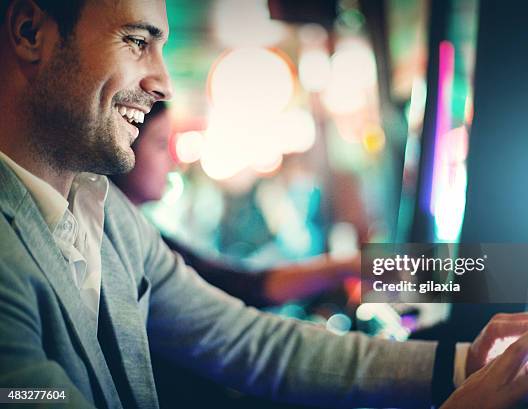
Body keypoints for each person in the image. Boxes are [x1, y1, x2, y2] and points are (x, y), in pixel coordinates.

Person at [0, 1, 528, 408]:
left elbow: (248, 339)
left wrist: (462, 363)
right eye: (136, 40)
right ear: (29, 32)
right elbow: (256, 285)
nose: (164, 83)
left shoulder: (103, 214)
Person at [110, 101, 360, 308]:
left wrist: (358, 266)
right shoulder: (125, 240)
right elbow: (238, 288)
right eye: (162, 145)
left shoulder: (138, 233)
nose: (173, 163)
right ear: (124, 144)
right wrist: (361, 267)